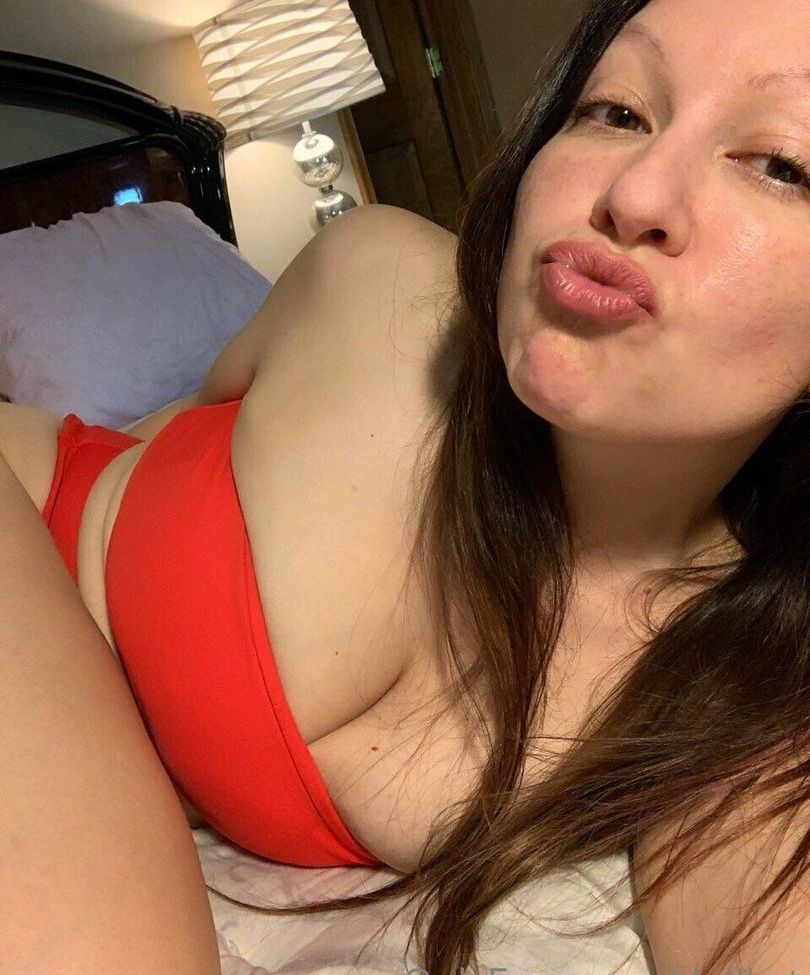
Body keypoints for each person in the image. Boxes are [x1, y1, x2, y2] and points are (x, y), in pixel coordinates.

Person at [5, 0, 810, 971]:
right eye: (616, 111)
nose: (632, 192)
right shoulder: (377, 275)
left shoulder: (739, 685)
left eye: (781, 164)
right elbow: (175, 423)